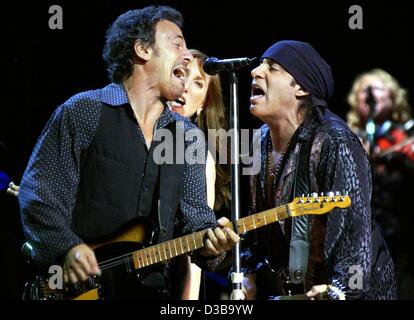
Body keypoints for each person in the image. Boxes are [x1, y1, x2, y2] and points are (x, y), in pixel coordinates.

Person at [18, 5, 239, 300]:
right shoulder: (83, 111)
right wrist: (67, 248)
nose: (188, 56)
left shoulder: (189, 139)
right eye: (177, 44)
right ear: (142, 50)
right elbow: (39, 195)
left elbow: (196, 221)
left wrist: (212, 243)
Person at [241, 40, 397, 300]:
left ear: (301, 87)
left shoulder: (335, 141)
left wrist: (338, 291)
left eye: (273, 68)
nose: (255, 72)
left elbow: (355, 233)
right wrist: (248, 273)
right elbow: (256, 226)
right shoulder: (258, 141)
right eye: (260, 65)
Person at [168, 48, 230, 300]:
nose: (185, 87)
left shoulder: (198, 152)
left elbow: (196, 240)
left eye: (198, 83)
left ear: (204, 102)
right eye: (181, 74)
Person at [347, 68, 414, 299]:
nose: (369, 94)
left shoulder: (407, 135)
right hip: (361, 240)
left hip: (402, 239)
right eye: (363, 91)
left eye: (376, 89)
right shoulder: (347, 136)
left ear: (393, 96)